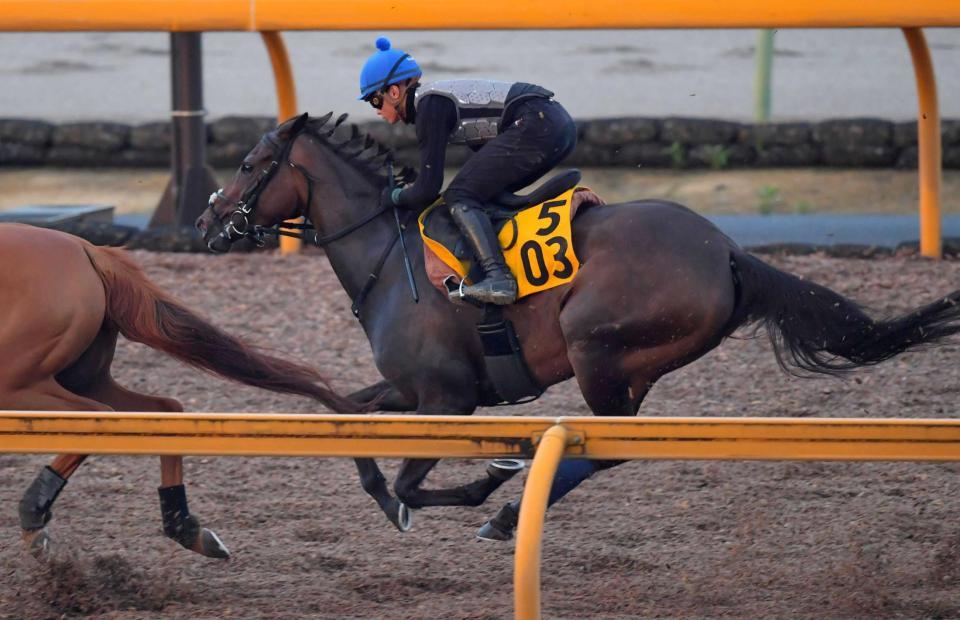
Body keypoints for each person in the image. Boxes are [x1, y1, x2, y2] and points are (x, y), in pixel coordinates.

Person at [358, 37, 578, 305]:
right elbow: (482, 162)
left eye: (374, 101)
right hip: (556, 124)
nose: (377, 111)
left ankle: (499, 278)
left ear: (393, 92)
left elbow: (427, 189)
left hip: (538, 123)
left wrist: (394, 197)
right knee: (475, 192)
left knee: (459, 196)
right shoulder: (439, 102)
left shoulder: (429, 107)